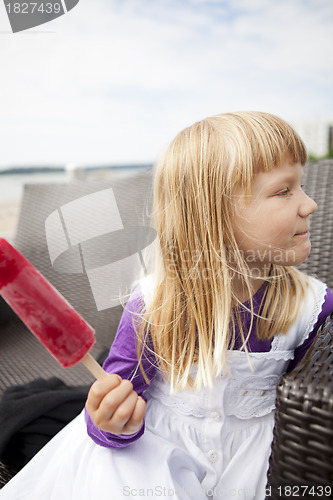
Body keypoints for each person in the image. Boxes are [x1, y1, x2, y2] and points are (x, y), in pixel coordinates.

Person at [1, 111, 333, 500]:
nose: (309, 205)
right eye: (284, 190)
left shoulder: (313, 305)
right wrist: (110, 421)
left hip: (257, 461)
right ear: (215, 216)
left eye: (303, 185)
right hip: (158, 451)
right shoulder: (154, 305)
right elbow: (117, 409)